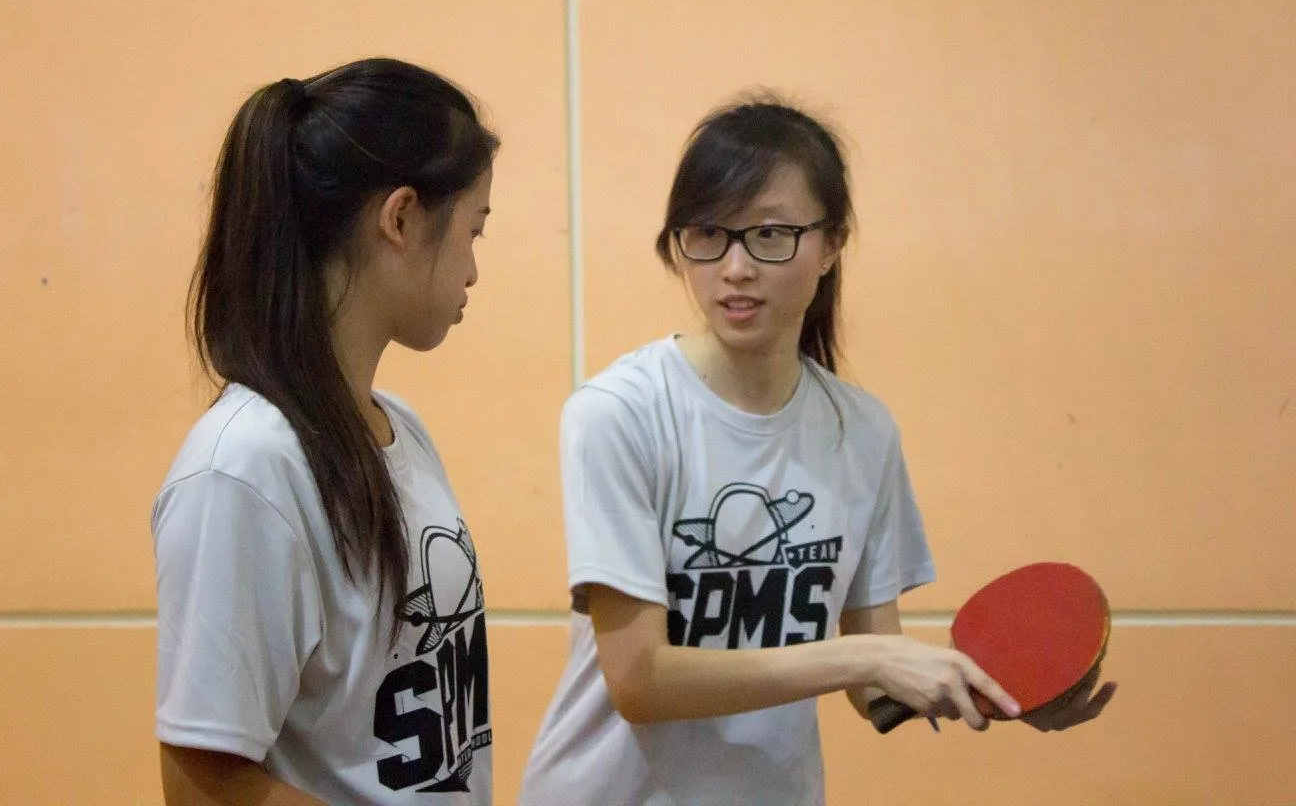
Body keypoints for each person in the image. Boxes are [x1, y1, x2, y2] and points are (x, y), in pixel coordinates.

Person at [520, 98, 1114, 805]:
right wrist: (861, 656)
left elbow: (870, 688)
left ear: (831, 244)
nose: (735, 267)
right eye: (708, 233)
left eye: (771, 234)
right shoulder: (619, 415)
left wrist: (994, 691)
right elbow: (640, 681)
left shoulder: (861, 432)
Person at [152, 58, 498, 805]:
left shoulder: (400, 428)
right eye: (474, 229)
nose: (475, 267)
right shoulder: (245, 468)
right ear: (401, 217)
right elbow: (199, 780)